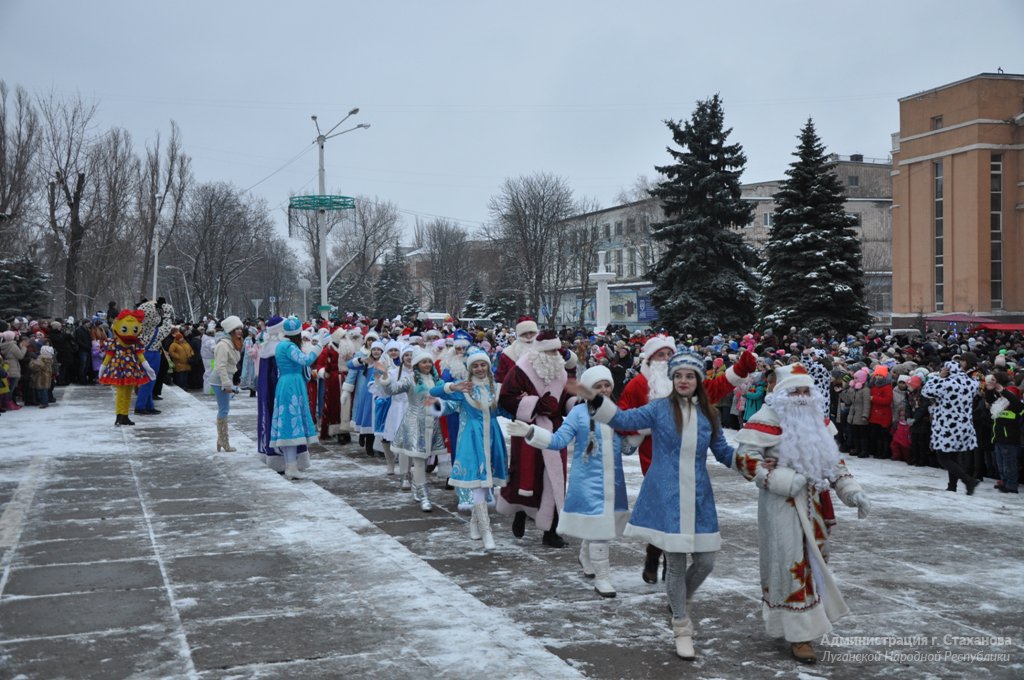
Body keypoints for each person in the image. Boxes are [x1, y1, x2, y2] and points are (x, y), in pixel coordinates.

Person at [579, 349, 735, 660]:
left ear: (698, 380)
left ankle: (678, 600)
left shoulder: (710, 414)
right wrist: (596, 400)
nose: (683, 380)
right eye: (678, 376)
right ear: (672, 379)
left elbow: (723, 451)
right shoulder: (658, 409)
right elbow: (623, 419)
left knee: (705, 562)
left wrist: (752, 464)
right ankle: (681, 625)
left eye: (689, 376)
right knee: (675, 564)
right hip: (666, 495)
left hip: (700, 496)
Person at [733, 363, 871, 664]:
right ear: (780, 393)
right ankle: (799, 635)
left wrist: (850, 489)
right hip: (782, 505)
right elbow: (744, 459)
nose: (800, 396)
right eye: (794, 390)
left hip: (816, 507)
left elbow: (832, 461)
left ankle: (808, 623)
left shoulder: (817, 421)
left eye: (805, 390)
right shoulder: (765, 419)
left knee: (815, 565)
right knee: (789, 564)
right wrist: (782, 478)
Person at [509, 365, 631, 597]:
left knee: (601, 526)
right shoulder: (578, 413)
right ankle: (603, 578)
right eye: (598, 386)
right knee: (600, 529)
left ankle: (585, 555)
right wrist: (530, 432)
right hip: (588, 483)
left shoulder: (617, 412)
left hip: (614, 482)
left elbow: (626, 448)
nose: (603, 390)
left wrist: (638, 435)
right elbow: (558, 441)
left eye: (607, 385)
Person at [497, 329, 572, 548]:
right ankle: (520, 512)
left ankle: (551, 530)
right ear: (539, 351)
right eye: (549, 351)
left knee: (555, 479)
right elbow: (506, 398)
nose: (554, 355)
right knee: (526, 476)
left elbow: (567, 397)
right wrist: (535, 405)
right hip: (527, 429)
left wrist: (575, 404)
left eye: (556, 351)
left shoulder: (561, 372)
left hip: (554, 431)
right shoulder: (521, 369)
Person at [431, 347, 508, 550]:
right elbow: (433, 394)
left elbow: (506, 410)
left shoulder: (495, 388)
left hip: (492, 439)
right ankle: (486, 532)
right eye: (476, 365)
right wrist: (452, 388)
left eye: (483, 365)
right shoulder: (464, 389)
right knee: (478, 483)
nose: (480, 368)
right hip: (471, 440)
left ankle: (475, 523)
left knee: (486, 484)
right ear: (470, 368)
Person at [373, 348, 450, 511]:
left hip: (432, 423)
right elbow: (391, 390)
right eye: (424, 361)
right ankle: (424, 496)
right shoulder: (410, 379)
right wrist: (385, 376)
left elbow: (442, 399)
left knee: (425, 457)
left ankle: (416, 486)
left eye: (429, 361)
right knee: (419, 459)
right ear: (417, 364)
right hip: (415, 424)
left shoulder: (436, 380)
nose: (427, 364)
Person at [270, 317, 326, 480]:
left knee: (288, 423)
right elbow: (306, 360)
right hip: (292, 384)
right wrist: (320, 345)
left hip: (286, 383)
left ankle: (291, 465)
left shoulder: (282, 345)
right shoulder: (289, 346)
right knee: (291, 424)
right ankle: (291, 467)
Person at [921, 360, 980, 494]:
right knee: (953, 457)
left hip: (947, 425)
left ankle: (968, 480)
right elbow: (977, 385)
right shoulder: (971, 383)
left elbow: (926, 391)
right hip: (964, 424)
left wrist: (938, 377)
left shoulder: (946, 383)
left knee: (943, 458)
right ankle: (952, 486)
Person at [210, 315, 244, 452]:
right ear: (230, 330)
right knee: (223, 410)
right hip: (220, 381)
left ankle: (222, 440)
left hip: (224, 380)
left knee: (224, 409)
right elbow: (221, 366)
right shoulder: (223, 345)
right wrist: (227, 384)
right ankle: (224, 441)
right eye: (237, 329)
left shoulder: (232, 343)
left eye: (240, 328)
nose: (240, 331)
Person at [989, 383, 1022, 494]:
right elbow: (989, 400)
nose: (1003, 396)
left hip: (1009, 441)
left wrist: (1004, 391)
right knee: (1000, 464)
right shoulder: (1000, 406)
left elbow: (1014, 401)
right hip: (998, 439)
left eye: (1007, 394)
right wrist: (989, 390)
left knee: (1009, 464)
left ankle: (1011, 485)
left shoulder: (1017, 407)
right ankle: (1004, 481)